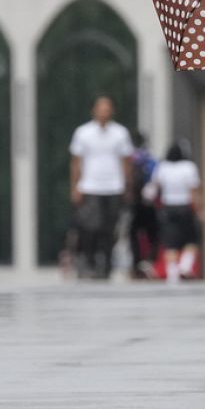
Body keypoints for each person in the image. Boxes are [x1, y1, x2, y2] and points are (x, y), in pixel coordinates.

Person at [65, 96, 134, 279]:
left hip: (113, 187)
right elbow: (76, 162)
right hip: (90, 186)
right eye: (101, 108)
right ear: (94, 110)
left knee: (110, 227)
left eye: (107, 108)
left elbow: (126, 161)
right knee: (90, 226)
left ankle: (107, 263)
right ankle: (89, 260)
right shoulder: (83, 133)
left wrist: (127, 186)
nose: (104, 112)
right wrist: (75, 187)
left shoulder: (121, 133)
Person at [145, 141, 201, 284]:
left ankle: (172, 274)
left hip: (168, 207)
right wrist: (197, 208)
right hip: (185, 206)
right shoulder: (189, 167)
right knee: (191, 239)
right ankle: (185, 266)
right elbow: (193, 190)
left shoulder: (162, 167)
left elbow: (154, 188)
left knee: (170, 242)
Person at [126, 130, 160, 279]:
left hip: (133, 203)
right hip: (148, 203)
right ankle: (149, 260)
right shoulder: (150, 159)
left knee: (133, 233)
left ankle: (136, 263)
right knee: (152, 233)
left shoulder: (130, 159)